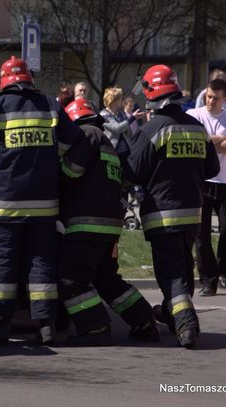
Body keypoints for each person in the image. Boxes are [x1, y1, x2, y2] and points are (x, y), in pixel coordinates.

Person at [0, 56, 90, 345]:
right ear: (29, 79)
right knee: (41, 266)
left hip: (2, 205)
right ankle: (46, 326)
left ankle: (1, 326)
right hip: (44, 205)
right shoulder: (49, 105)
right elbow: (76, 141)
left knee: (1, 266)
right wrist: (59, 172)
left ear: (3, 80)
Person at [119, 64, 220, 348]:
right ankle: (170, 313)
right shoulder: (196, 126)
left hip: (163, 215)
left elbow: (133, 171)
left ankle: (187, 324)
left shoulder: (154, 127)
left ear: (152, 93)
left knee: (171, 273)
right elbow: (211, 167)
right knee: (183, 266)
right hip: (192, 215)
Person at [58, 98, 158, 345]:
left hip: (85, 224)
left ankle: (96, 327)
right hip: (108, 226)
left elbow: (71, 171)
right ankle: (144, 321)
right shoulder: (108, 144)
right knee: (106, 279)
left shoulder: (87, 134)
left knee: (70, 278)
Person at [186, 78, 226, 296]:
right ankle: (208, 280)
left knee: (225, 230)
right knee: (201, 235)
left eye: (216, 98)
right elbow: (197, 142)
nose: (211, 101)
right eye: (209, 96)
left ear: (224, 98)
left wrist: (208, 140)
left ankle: (223, 271)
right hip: (202, 181)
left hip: (225, 182)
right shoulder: (195, 115)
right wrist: (219, 140)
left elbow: (206, 143)